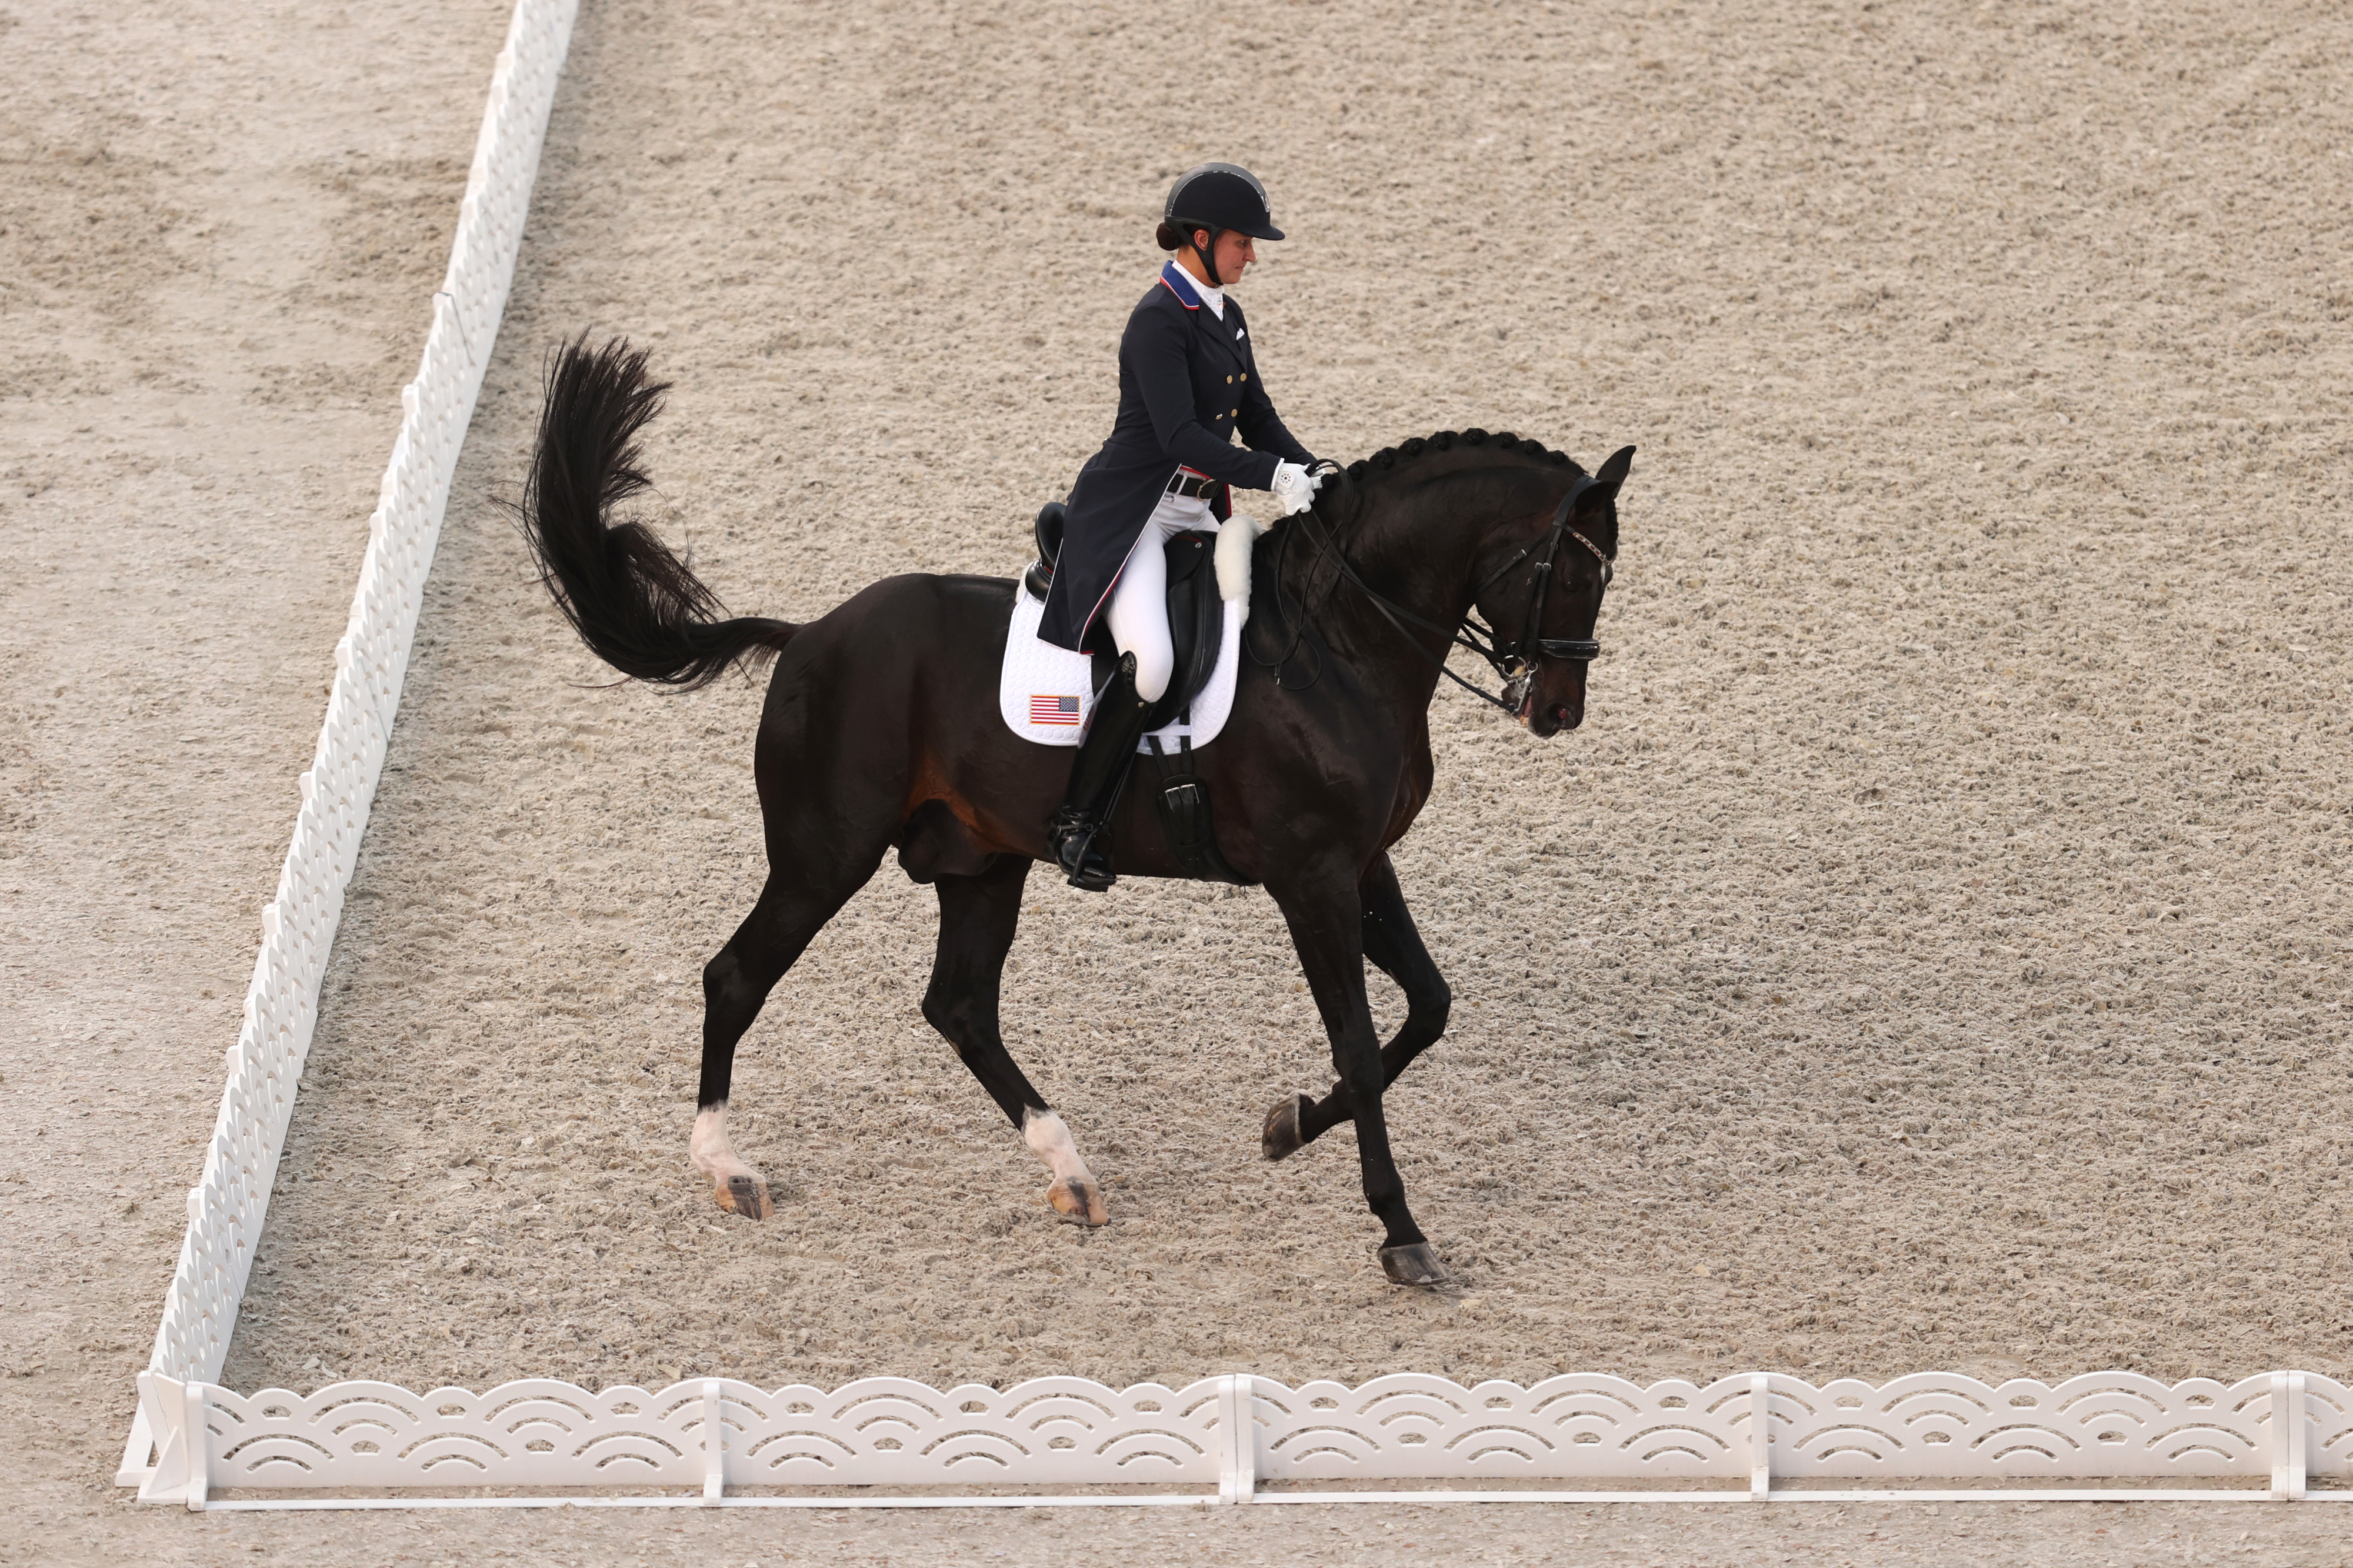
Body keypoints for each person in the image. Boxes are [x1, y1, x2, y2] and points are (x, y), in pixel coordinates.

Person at [1038, 162, 1326, 891]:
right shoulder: (1157, 320)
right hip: (1138, 511)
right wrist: (1270, 476)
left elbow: (1256, 414)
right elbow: (1177, 438)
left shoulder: (1226, 315)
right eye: (1242, 242)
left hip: (1200, 510)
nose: (1251, 256)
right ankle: (1077, 819)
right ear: (1200, 239)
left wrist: (1314, 469)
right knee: (1155, 662)